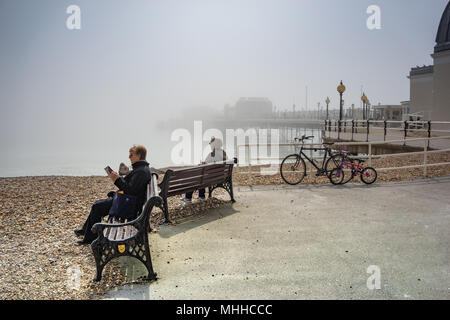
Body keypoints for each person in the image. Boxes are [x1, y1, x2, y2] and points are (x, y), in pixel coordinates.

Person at [74, 145, 152, 245]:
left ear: (139, 155)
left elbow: (130, 190)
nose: (129, 157)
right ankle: (86, 230)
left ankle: (90, 238)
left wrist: (117, 180)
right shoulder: (141, 169)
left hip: (128, 206)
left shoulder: (141, 171)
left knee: (97, 206)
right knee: (98, 204)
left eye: (131, 155)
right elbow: (131, 188)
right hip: (129, 202)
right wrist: (118, 178)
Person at [180, 137, 228, 203]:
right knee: (201, 177)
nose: (210, 145)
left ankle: (188, 198)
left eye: (210, 143)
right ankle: (201, 196)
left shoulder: (212, 154)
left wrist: (202, 163)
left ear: (214, 144)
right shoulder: (224, 153)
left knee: (193, 178)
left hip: (210, 178)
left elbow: (204, 167)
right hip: (220, 177)